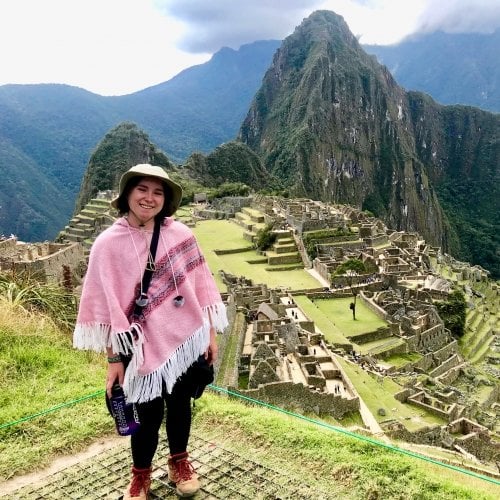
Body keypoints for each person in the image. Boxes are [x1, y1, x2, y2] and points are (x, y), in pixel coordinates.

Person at [73, 164, 228, 499]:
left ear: (166, 200)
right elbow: (107, 311)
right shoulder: (107, 246)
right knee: (147, 412)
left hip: (187, 340)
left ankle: (179, 461)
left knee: (181, 404)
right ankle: (140, 475)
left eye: (158, 192)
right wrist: (114, 360)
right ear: (127, 193)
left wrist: (210, 336)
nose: (150, 198)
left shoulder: (181, 235)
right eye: (142, 189)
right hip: (140, 349)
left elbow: (201, 289)